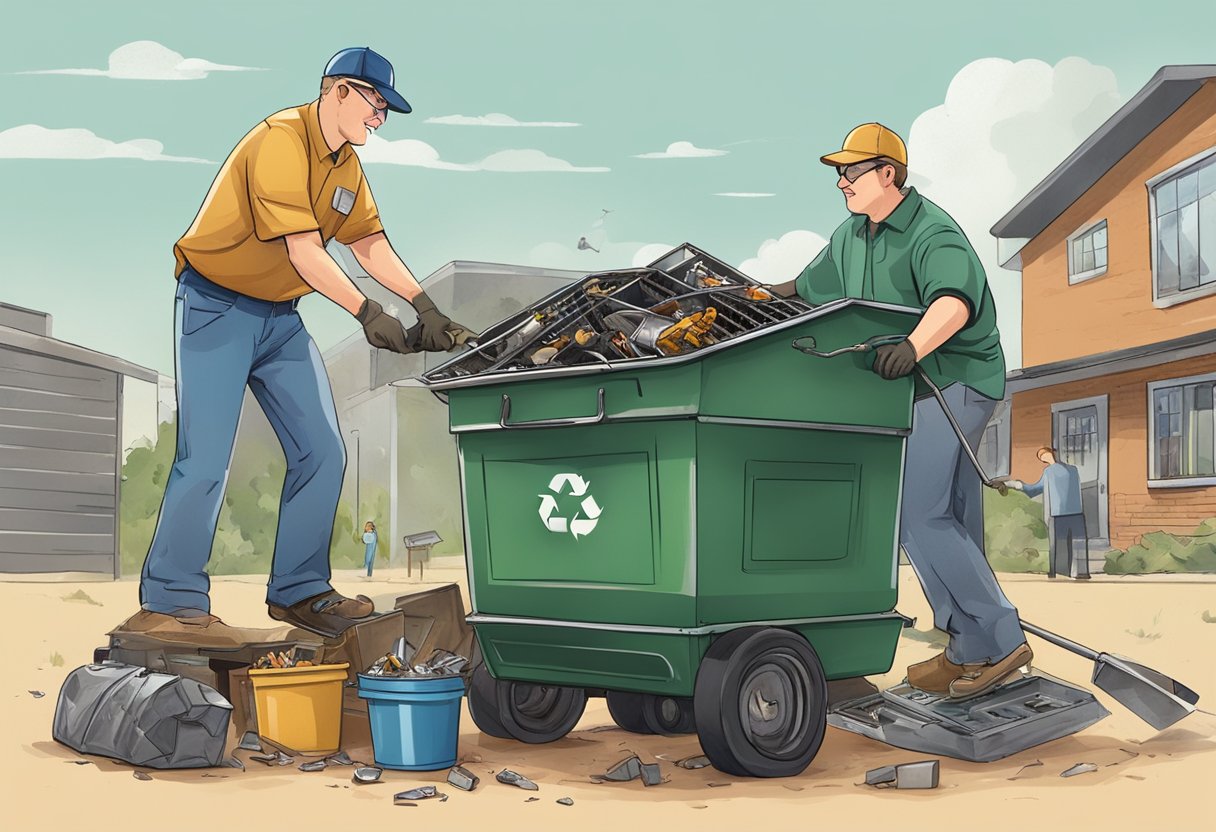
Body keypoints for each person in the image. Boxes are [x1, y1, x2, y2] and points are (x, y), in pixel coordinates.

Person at [124, 47, 457, 644]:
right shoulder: (281, 139)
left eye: (384, 109)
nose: (379, 118)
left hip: (280, 318)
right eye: (375, 103)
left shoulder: (346, 166)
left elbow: (369, 244)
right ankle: (170, 599)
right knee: (205, 459)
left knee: (323, 450)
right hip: (216, 307)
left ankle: (300, 591)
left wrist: (424, 305)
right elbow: (302, 249)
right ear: (339, 91)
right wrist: (367, 311)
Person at [769, 123, 1031, 700]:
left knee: (917, 513)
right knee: (951, 517)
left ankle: (1000, 637)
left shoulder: (933, 232)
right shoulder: (851, 235)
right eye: (839, 172)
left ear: (888, 174)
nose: (841, 182)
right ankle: (972, 648)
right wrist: (756, 297)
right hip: (908, 388)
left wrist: (913, 345)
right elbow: (806, 288)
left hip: (956, 378)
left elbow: (954, 304)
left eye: (851, 171)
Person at [1007, 447, 1090, 579]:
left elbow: (1035, 489)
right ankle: (1071, 572)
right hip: (1069, 513)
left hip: (1064, 513)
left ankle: (1066, 572)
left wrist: (1018, 485)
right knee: (1069, 543)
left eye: (1044, 455)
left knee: (1067, 543)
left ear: (1052, 453)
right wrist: (1018, 485)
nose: (1044, 458)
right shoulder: (1069, 470)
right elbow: (1037, 489)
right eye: (1042, 457)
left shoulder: (1053, 472)